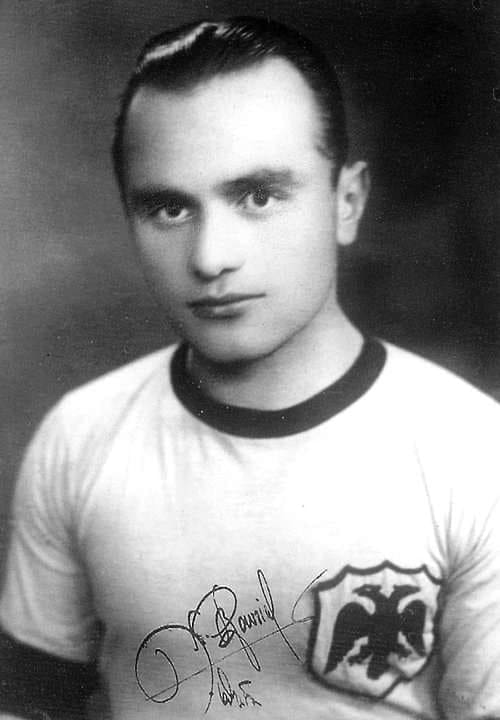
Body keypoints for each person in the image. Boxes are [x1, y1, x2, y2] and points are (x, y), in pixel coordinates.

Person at [1, 15, 500, 720]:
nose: (211, 257)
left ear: (347, 203)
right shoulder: (79, 437)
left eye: (258, 196)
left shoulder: (474, 453)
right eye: (169, 208)